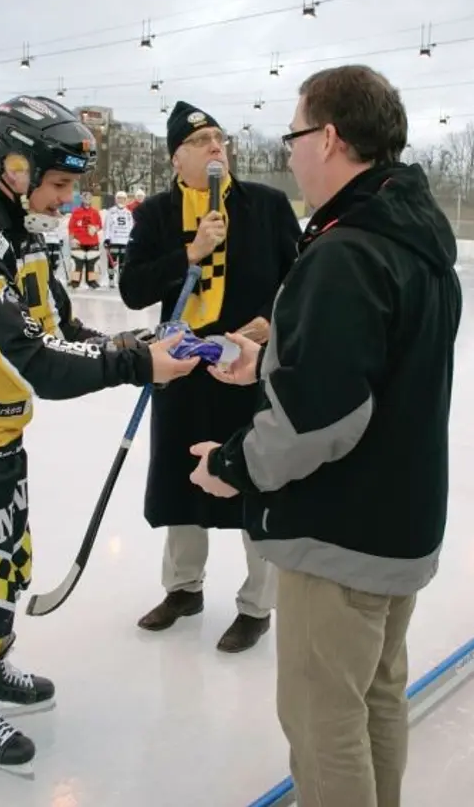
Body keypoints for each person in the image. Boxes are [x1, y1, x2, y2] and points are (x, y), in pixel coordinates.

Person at [0, 95, 198, 772]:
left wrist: (137, 341)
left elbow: (63, 334)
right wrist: (135, 363)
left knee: (8, 567)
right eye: (59, 184)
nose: (66, 200)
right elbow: (37, 363)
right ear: (14, 166)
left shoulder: (29, 234)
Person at [190, 65, 462, 806]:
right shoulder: (410, 236)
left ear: (332, 138)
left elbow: (324, 420)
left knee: (322, 722)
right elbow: (373, 361)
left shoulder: (346, 251)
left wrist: (234, 466)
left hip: (340, 537)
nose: (289, 153)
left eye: (296, 134)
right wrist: (269, 358)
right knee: (375, 697)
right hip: (398, 525)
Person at [120, 101, 301, 652]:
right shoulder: (155, 215)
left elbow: (302, 277)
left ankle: (257, 605)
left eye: (220, 138)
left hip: (247, 370)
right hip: (182, 368)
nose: (216, 147)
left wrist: (271, 324)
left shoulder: (266, 206)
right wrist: (190, 252)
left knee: (254, 477)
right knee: (182, 479)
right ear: (177, 157)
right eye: (201, 142)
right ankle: (184, 588)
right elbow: (133, 290)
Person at [68, 191, 102, 288]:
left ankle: (92, 281)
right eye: (85, 197)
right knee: (76, 262)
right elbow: (71, 226)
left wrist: (95, 228)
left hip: (92, 241)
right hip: (79, 241)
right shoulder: (76, 212)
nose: (87, 199)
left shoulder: (95, 212)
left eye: (89, 197)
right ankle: (75, 281)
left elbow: (99, 225)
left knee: (93, 262)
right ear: (82, 199)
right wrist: (72, 239)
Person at [103, 190, 134, 287]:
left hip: (125, 241)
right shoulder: (111, 211)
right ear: (116, 199)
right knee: (112, 261)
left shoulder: (129, 213)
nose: (121, 200)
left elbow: (131, 227)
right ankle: (111, 279)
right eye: (119, 198)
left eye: (123, 199)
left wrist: (131, 238)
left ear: (126, 200)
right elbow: (107, 226)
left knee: (123, 262)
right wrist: (107, 238)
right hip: (114, 240)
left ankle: (121, 279)